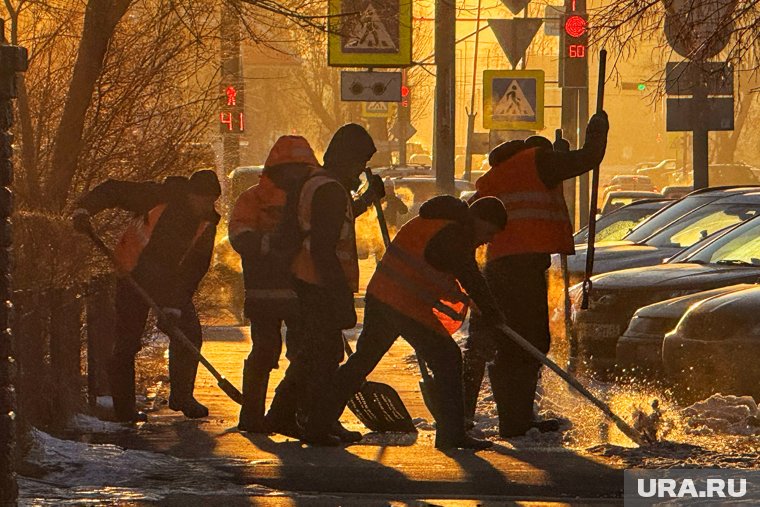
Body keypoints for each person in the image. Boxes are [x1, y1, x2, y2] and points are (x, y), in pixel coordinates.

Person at [313, 195, 508, 450]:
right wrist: (493, 313)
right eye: (489, 231)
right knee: (448, 358)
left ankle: (318, 421)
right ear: (477, 219)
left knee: (364, 360)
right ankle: (452, 434)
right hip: (404, 304)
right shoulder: (454, 234)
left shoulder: (439, 224)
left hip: (383, 296)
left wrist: (487, 309)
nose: (489, 239)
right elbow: (470, 275)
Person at [462, 112, 609, 438]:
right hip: (520, 270)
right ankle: (515, 421)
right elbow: (588, 158)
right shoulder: (537, 162)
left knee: (500, 344)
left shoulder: (499, 174)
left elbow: (469, 223)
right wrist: (597, 132)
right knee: (530, 343)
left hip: (498, 268)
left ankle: (490, 418)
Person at [264, 124, 384, 445]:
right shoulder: (328, 189)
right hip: (317, 283)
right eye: (360, 162)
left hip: (307, 280)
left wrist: (367, 198)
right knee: (323, 357)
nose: (362, 171)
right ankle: (315, 426)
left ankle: (282, 415)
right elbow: (323, 247)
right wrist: (339, 297)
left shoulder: (321, 184)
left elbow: (336, 220)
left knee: (312, 353)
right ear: (346, 158)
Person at [73, 170, 222, 422]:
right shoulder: (158, 196)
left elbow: (194, 270)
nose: (206, 206)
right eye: (203, 199)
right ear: (190, 194)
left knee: (188, 333)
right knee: (127, 343)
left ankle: (182, 396)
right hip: (132, 276)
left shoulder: (206, 224)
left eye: (211, 201)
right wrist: (84, 209)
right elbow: (113, 189)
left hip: (169, 286)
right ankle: (124, 409)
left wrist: (174, 306)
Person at [228, 136, 319, 433]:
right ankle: (253, 416)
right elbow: (240, 237)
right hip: (266, 290)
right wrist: (273, 245)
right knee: (266, 350)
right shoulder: (252, 199)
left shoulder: (309, 198)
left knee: (303, 353)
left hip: (300, 289)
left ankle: (290, 413)